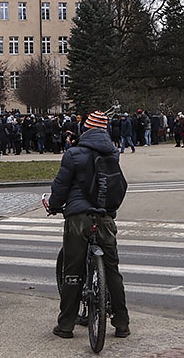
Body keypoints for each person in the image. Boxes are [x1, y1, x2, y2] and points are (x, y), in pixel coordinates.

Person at [47, 110, 130, 339]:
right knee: (112, 271)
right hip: (104, 217)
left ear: (86, 129)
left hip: (78, 218)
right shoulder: (113, 154)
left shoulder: (73, 153)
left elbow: (61, 186)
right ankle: (122, 324)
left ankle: (66, 326)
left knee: (72, 272)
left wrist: (54, 206)